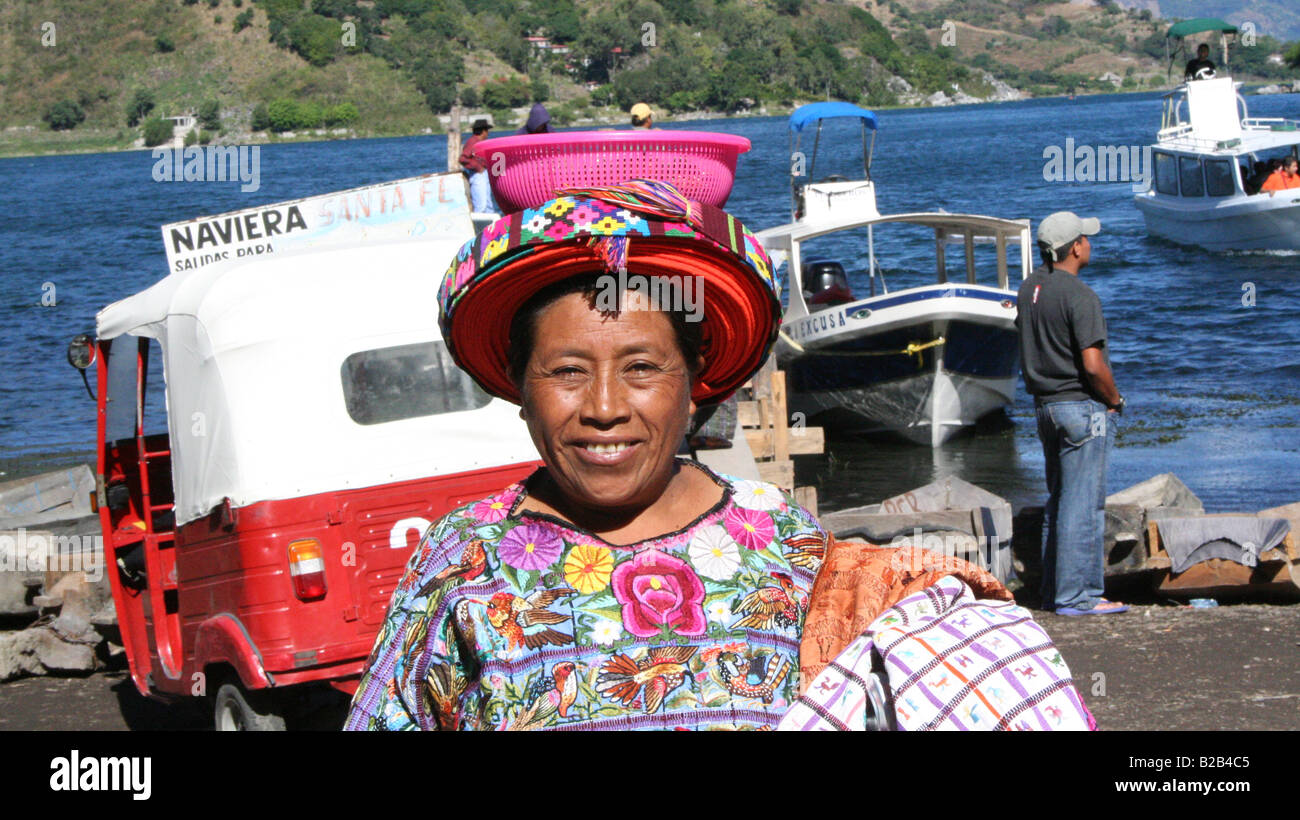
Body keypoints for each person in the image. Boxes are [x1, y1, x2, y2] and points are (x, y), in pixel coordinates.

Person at [345, 182, 1090, 731]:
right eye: (567, 370)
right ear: (518, 387)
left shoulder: (785, 551)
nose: (605, 405)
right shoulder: (462, 565)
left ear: (694, 384)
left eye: (642, 368)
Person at [1016, 212, 1127, 618]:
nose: (1090, 244)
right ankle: (1078, 597)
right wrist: (1114, 400)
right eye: (1085, 238)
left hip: (1045, 408)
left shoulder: (1031, 288)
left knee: (1060, 501)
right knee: (1084, 506)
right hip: (1081, 408)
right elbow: (1093, 365)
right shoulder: (1081, 296)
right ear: (1075, 247)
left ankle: (1054, 591)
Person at [458, 118, 496, 213]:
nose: (487, 133)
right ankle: (478, 226)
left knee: (488, 204)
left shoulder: (477, 142)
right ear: (483, 131)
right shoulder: (473, 142)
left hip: (483, 174)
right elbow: (462, 158)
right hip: (477, 175)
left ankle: (490, 226)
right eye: (486, 131)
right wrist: (477, 167)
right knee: (481, 205)